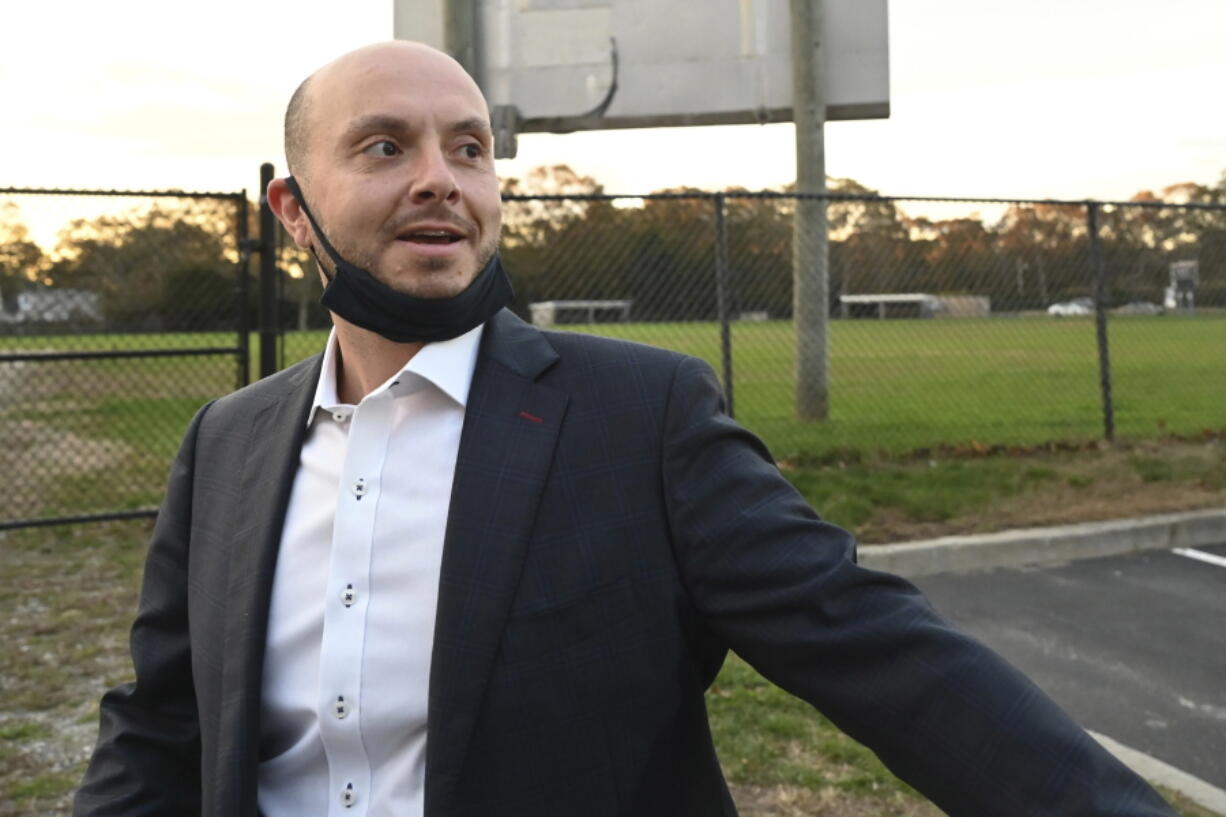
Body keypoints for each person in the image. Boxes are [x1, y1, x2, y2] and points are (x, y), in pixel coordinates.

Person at [74, 41, 1177, 817]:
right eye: (382, 148)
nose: (439, 181)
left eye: (467, 148)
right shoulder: (227, 443)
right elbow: (161, 724)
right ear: (290, 207)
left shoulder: (641, 417)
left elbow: (883, 653)